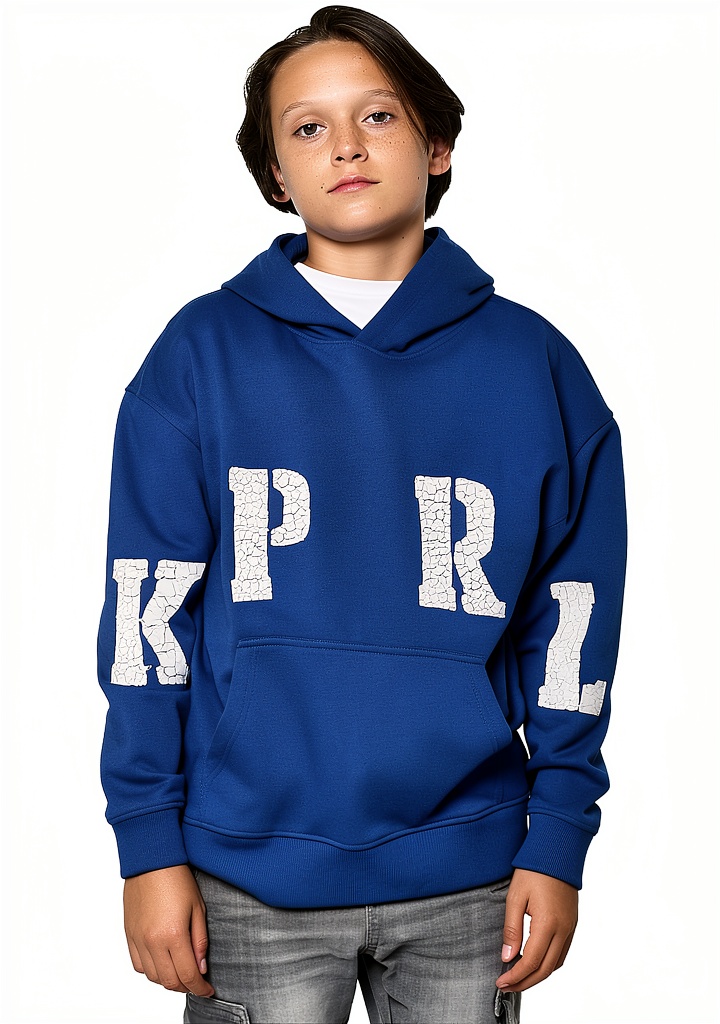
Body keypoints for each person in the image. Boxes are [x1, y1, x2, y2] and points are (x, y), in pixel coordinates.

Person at [97, 6, 627, 1023]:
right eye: (308, 127)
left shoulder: (536, 368)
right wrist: (147, 844)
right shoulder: (199, 357)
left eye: (377, 115)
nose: (345, 145)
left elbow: (576, 623)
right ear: (275, 174)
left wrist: (559, 835)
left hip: (472, 867)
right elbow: (145, 618)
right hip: (246, 871)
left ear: (437, 144)